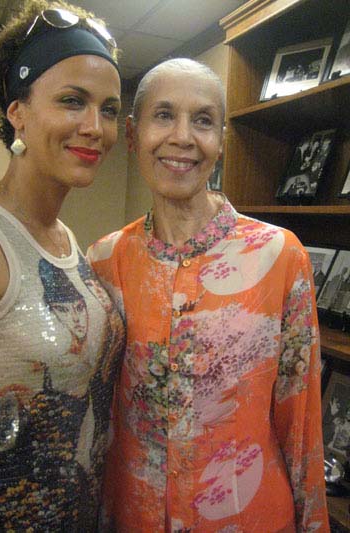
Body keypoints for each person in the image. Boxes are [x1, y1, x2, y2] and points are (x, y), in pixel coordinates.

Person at [87, 58, 329, 532]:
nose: (182, 137)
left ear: (220, 140)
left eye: (202, 121)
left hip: (248, 516)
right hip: (132, 517)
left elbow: (302, 425)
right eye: (164, 115)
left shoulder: (279, 256)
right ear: (134, 135)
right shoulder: (104, 261)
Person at [0, 1, 125, 531]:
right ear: (17, 112)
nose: (94, 127)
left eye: (110, 108)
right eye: (72, 101)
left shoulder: (68, 241)